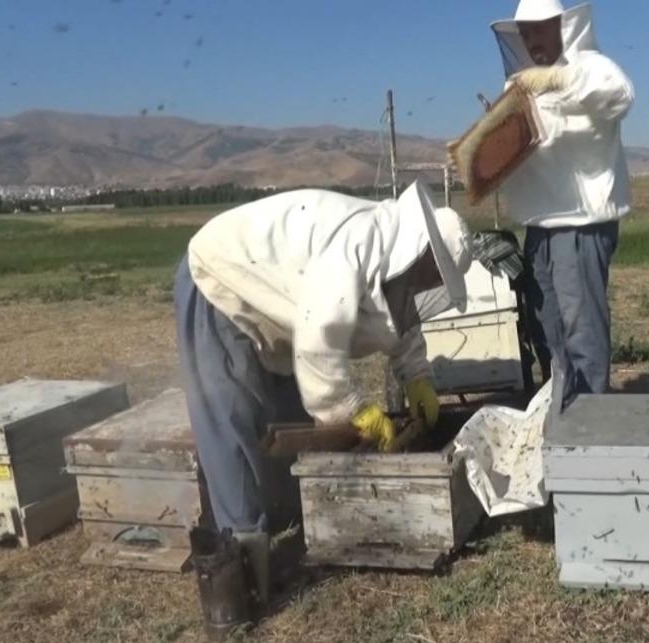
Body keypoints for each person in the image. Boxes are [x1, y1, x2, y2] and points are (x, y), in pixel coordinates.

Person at [174, 181, 471, 602]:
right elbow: (319, 339)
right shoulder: (356, 244)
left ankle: (288, 521)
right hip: (220, 283)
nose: (427, 284)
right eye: (432, 273)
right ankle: (240, 565)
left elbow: (401, 320)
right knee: (233, 421)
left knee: (285, 420)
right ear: (422, 251)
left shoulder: (389, 248)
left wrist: (417, 375)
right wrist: (351, 408)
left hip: (270, 301)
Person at [491, 0, 634, 405]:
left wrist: (557, 80)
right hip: (538, 226)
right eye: (527, 33)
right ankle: (561, 413)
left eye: (541, 29)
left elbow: (621, 96)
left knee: (581, 330)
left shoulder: (592, 66)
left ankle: (591, 421)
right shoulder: (517, 87)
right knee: (547, 329)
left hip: (581, 224)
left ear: (562, 28)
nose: (533, 40)